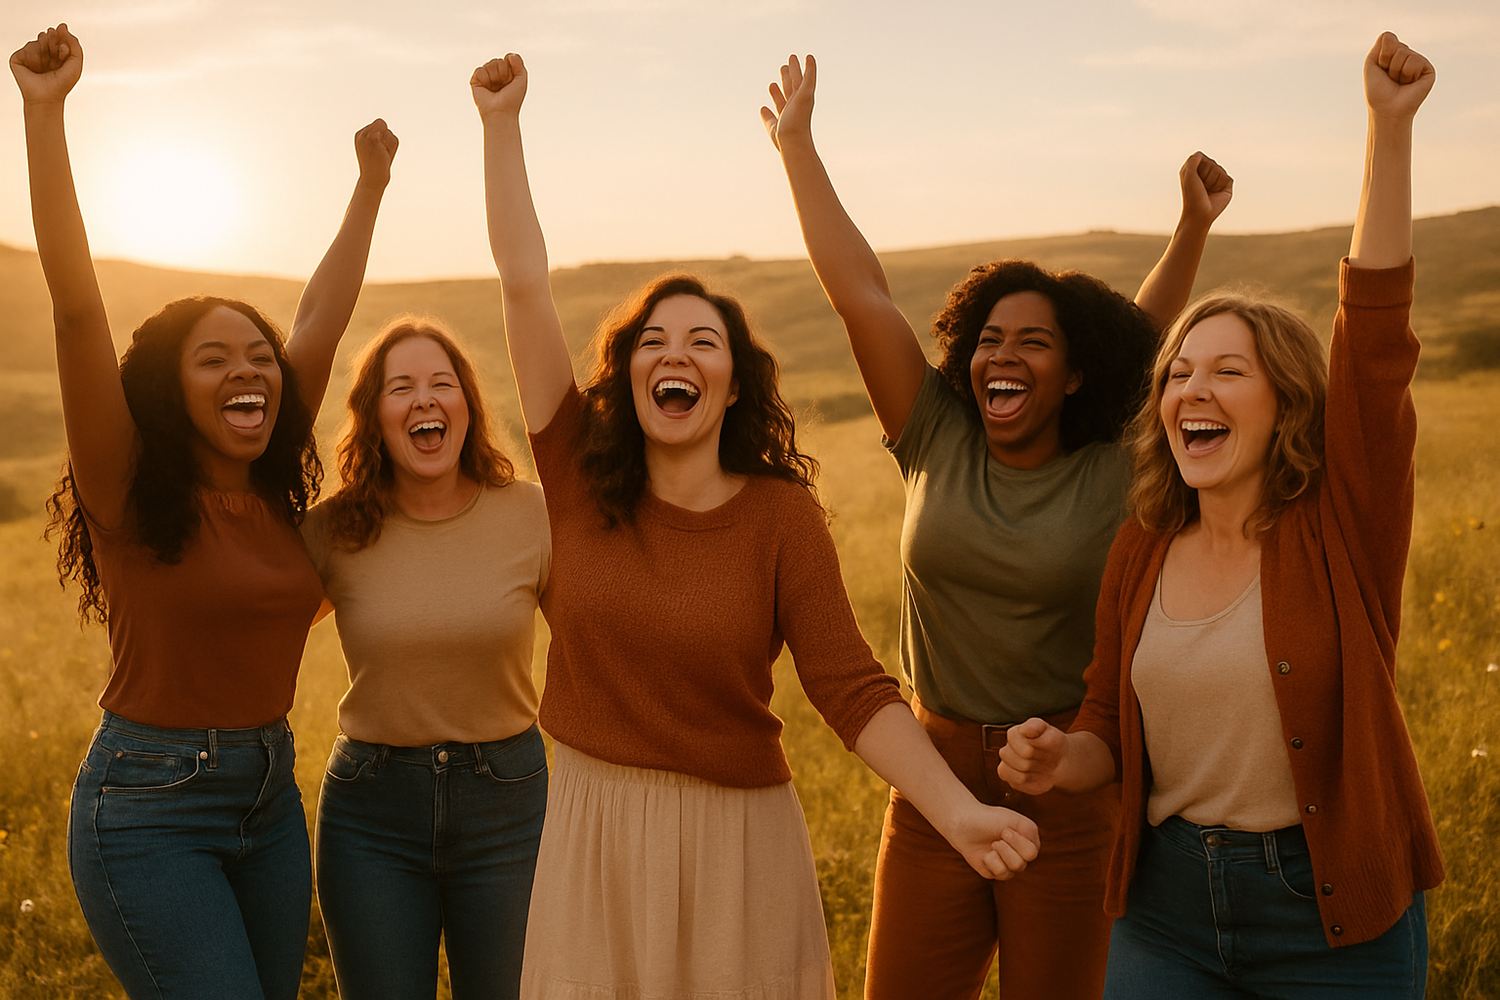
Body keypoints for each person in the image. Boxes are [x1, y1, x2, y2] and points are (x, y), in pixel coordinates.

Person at [473, 52, 1042, 999]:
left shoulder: (780, 517)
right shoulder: (576, 474)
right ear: (627, 376)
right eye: (653, 340)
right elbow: (525, 285)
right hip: (594, 833)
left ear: (732, 383)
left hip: (739, 844)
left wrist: (956, 812)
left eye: (704, 342)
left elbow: (852, 689)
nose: (676, 353)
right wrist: (501, 130)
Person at [760, 55, 1231, 999]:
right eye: (989, 338)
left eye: (1034, 342)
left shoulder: (1110, 467)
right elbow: (859, 290)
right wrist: (797, 150)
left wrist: (1190, 228)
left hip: (1065, 786)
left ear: (1077, 375)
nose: (1001, 356)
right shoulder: (935, 431)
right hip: (931, 782)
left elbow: (1143, 333)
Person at [997, 32, 1441, 999]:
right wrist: (1055, 758)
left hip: (1331, 920)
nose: (1192, 387)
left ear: (1285, 400)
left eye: (1227, 370)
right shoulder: (1144, 547)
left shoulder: (1341, 527)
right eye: (1179, 373)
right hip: (1166, 914)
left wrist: (1387, 129)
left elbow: (1372, 340)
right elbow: (1106, 728)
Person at [13, 23, 394, 1000]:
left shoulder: (270, 485)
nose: (249, 369)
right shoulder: (129, 487)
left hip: (269, 797)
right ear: (169, 391)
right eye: (215, 357)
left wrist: (370, 186)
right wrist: (45, 114)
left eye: (258, 357)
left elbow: (320, 316)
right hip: (148, 805)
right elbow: (75, 308)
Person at [300, 318, 550, 1000]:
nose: (424, 401)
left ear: (467, 404)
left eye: (442, 383)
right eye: (400, 387)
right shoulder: (332, 529)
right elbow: (253, 629)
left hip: (509, 808)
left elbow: (602, 642)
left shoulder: (533, 516)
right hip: (370, 814)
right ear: (373, 415)